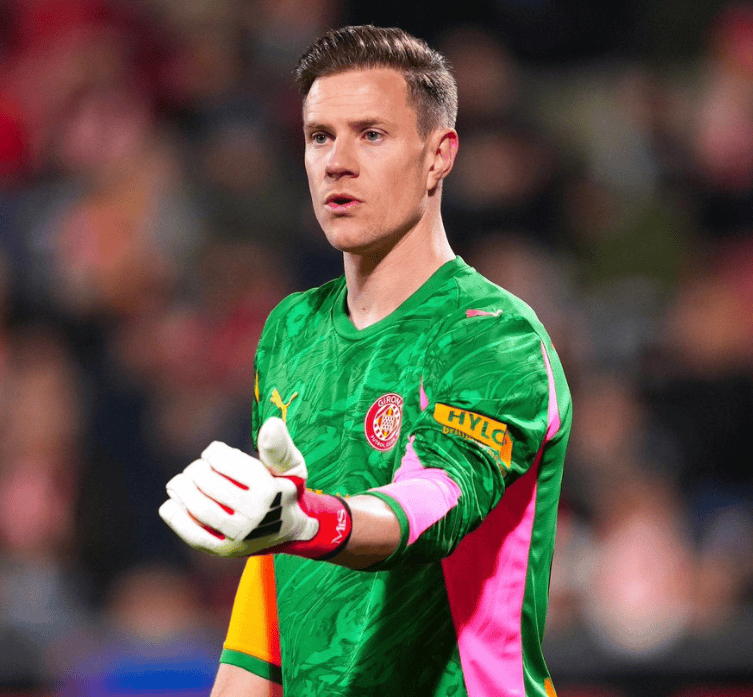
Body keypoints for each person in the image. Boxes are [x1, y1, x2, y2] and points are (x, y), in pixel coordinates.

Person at [159, 25, 571, 697]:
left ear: (438, 156)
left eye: (371, 135)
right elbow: (274, 567)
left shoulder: (494, 337)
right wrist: (287, 525)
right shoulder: (291, 330)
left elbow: (437, 500)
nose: (336, 162)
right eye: (319, 136)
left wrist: (312, 521)